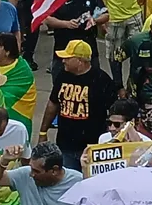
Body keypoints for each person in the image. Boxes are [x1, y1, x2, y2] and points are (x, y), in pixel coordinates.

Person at [39, 38, 117, 171]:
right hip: (65, 145)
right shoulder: (63, 76)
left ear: (80, 61)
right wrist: (42, 131)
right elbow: (53, 104)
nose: (63, 60)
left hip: (92, 147)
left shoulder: (102, 80)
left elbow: (114, 113)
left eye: (68, 58)